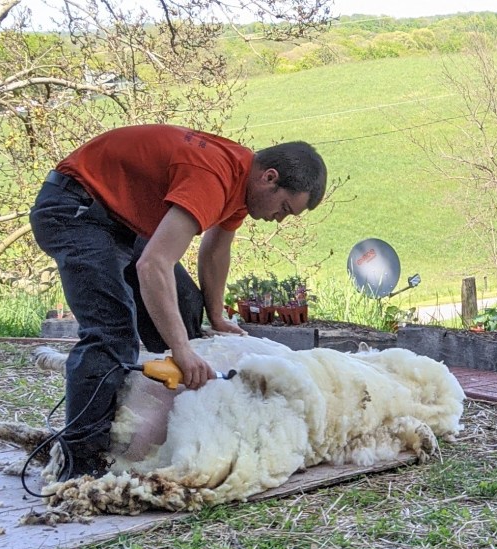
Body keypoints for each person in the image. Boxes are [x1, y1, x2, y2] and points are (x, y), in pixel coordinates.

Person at [29, 124, 327, 480]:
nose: (280, 220)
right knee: (111, 332)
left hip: (116, 219)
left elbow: (216, 249)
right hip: (74, 208)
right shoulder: (213, 175)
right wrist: (180, 348)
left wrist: (216, 316)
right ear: (270, 177)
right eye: (284, 208)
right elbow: (153, 264)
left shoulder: (240, 182)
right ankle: (80, 460)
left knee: (186, 305)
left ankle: (157, 423)